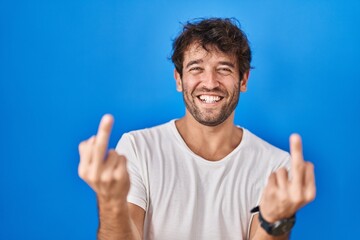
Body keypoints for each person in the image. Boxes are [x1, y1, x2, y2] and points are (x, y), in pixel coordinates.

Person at [78, 18, 316, 240]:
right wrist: (111, 202)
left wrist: (274, 222)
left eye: (224, 69)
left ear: (243, 80)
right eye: (196, 69)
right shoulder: (138, 148)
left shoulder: (275, 166)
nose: (210, 83)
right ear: (179, 79)